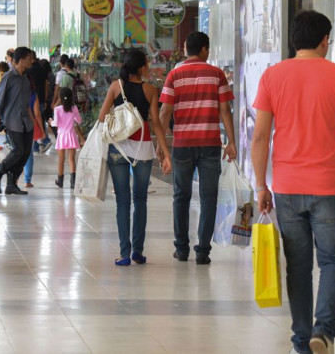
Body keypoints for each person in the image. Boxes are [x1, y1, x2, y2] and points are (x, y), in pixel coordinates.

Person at [250, 11, 335, 354]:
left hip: (287, 187)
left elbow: (260, 137)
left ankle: (302, 343)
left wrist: (261, 185)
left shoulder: (273, 76)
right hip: (330, 188)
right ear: (324, 40)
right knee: (334, 262)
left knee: (299, 267)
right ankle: (324, 331)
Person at [159, 31, 236, 265]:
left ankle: (181, 249)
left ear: (185, 49)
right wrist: (231, 142)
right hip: (210, 144)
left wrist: (162, 146)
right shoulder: (217, 75)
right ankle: (203, 250)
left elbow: (165, 112)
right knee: (208, 198)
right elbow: (224, 111)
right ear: (204, 50)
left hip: (182, 144)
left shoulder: (174, 75)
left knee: (180, 196)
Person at [101, 49, 172, 266]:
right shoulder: (150, 90)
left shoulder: (116, 87)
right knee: (140, 199)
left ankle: (124, 253)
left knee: (122, 201)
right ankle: (138, 252)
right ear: (142, 67)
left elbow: (102, 116)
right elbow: (156, 123)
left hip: (118, 149)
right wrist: (165, 152)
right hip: (142, 149)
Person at [0, 47, 35, 195]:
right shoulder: (9, 77)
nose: (31, 61)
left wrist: (32, 119)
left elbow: (27, 102)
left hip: (26, 122)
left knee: (25, 153)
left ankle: (11, 184)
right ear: (20, 59)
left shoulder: (26, 78)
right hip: (12, 120)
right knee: (18, 151)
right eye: (29, 58)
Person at [52, 87, 83, 188]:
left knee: (61, 159)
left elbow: (55, 123)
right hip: (71, 135)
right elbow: (79, 121)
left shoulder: (57, 109)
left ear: (60, 98)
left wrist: (49, 122)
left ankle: (60, 181)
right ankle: (73, 182)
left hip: (61, 136)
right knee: (71, 159)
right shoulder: (74, 108)